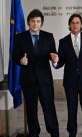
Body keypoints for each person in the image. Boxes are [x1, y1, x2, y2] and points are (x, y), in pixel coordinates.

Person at [12, 9, 59, 137]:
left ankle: (54, 133)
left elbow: (53, 53)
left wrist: (55, 58)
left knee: (49, 108)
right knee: (31, 111)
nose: (35, 24)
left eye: (38, 21)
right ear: (28, 22)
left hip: (45, 81)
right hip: (28, 81)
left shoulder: (48, 36)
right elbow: (15, 56)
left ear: (41, 23)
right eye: (32, 21)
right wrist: (21, 61)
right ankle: (34, 134)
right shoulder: (19, 38)